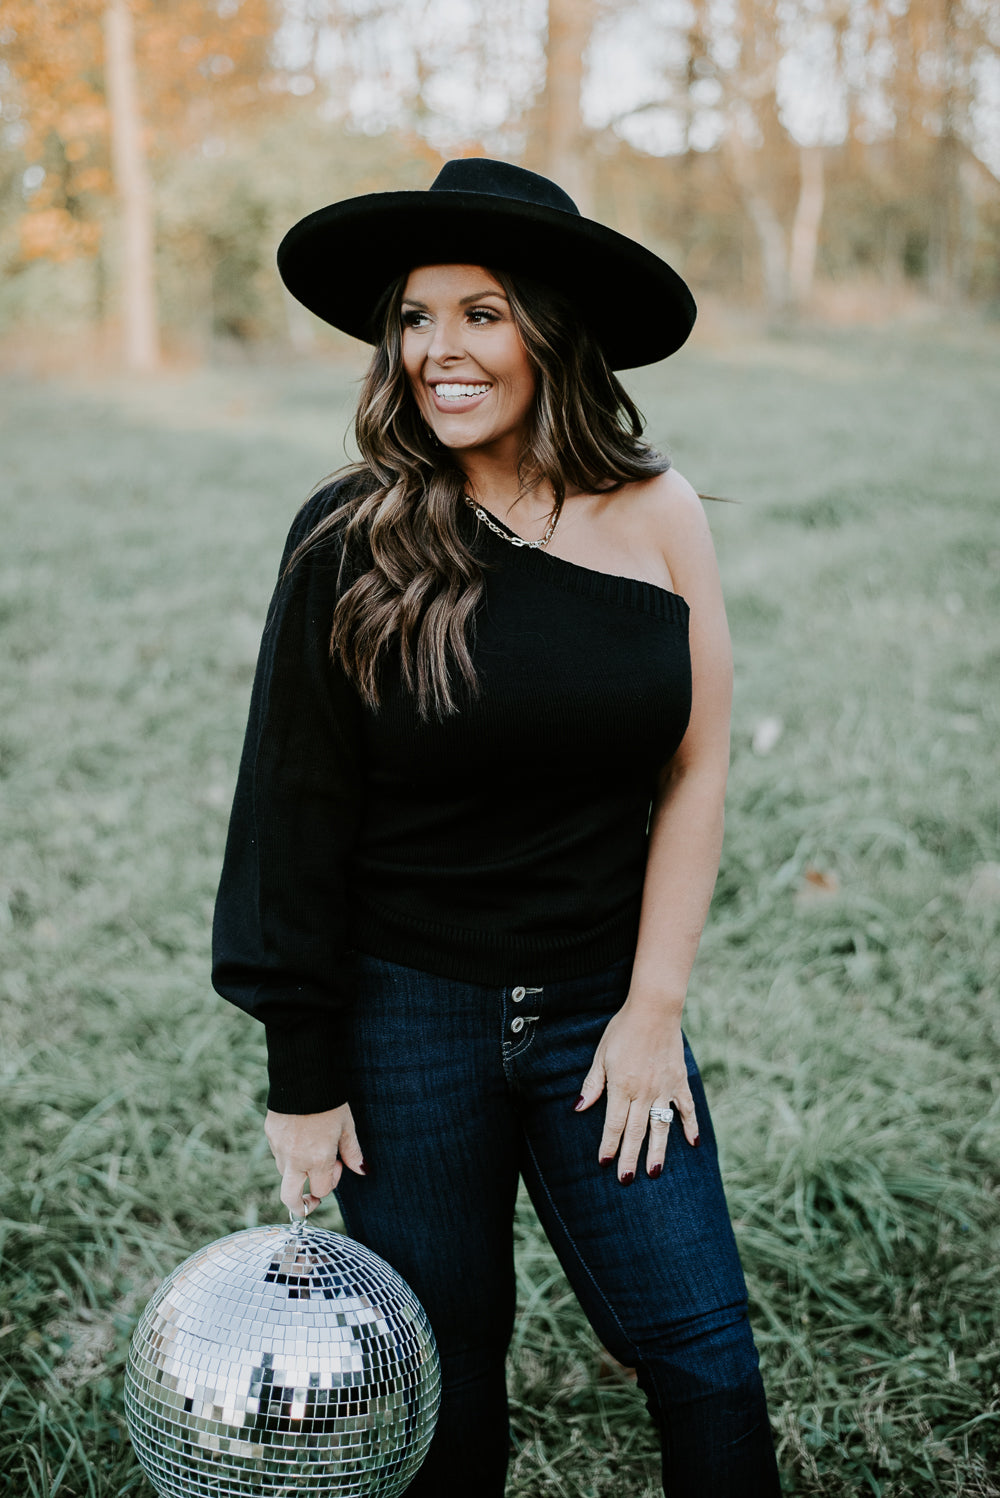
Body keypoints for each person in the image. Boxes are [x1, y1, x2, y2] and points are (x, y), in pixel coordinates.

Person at [212, 157, 781, 1496]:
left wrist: (654, 1007)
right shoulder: (348, 536)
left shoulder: (659, 512)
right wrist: (305, 1078)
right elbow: (291, 811)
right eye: (416, 317)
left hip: (600, 1008)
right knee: (443, 1368)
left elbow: (696, 767)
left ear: (552, 331)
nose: (439, 351)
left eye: (482, 313)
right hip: (404, 1015)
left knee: (704, 1350)